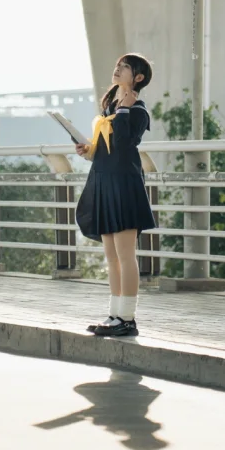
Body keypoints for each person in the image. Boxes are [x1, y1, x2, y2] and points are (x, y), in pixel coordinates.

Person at [74, 53, 157, 338]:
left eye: (124, 67)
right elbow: (106, 148)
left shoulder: (137, 111)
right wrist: (88, 150)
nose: (117, 68)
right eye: (118, 65)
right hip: (105, 183)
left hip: (125, 185)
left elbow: (125, 142)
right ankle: (114, 314)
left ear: (138, 77)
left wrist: (125, 110)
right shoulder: (111, 110)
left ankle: (128, 318)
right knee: (111, 255)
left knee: (125, 254)